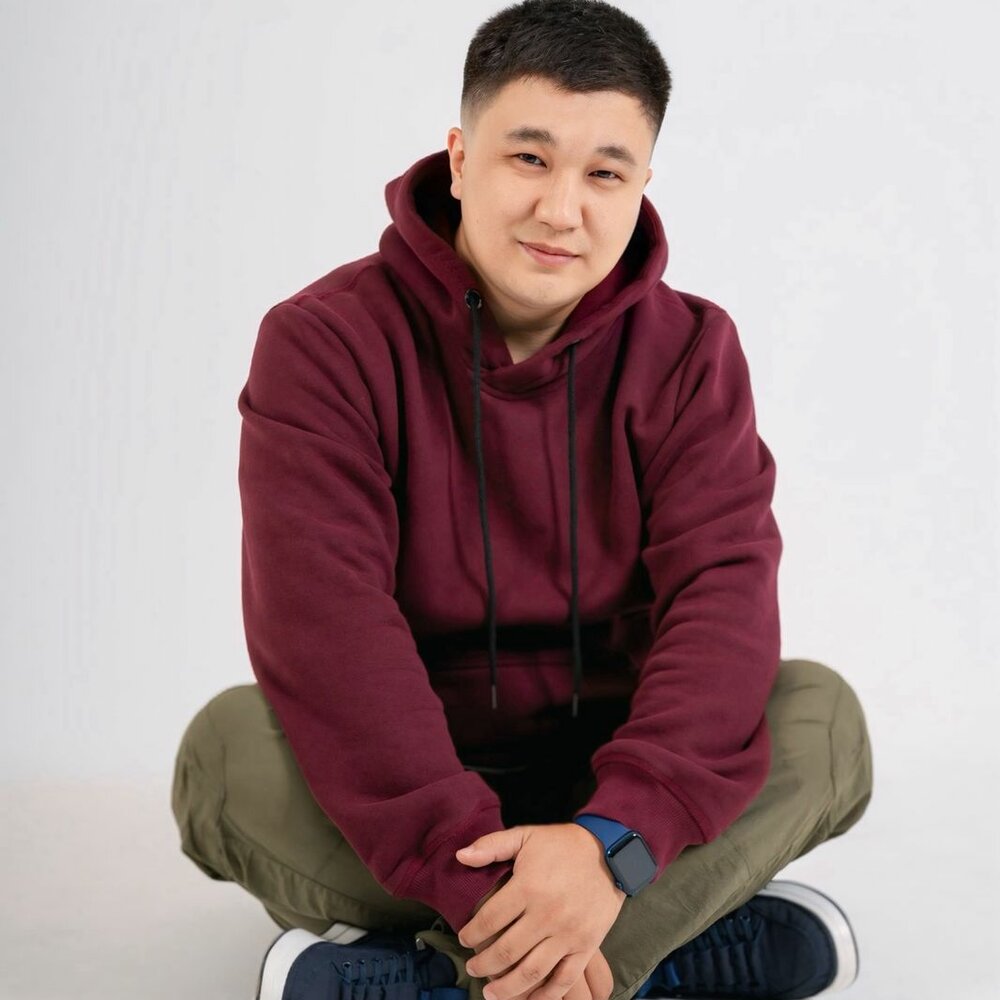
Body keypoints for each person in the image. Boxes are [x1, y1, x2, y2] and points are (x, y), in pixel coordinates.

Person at [170, 2, 874, 1000]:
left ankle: (441, 980)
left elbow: (722, 605)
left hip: (615, 784)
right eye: (529, 158)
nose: (560, 210)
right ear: (460, 160)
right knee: (227, 754)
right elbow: (329, 630)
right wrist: (490, 878)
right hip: (417, 796)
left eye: (604, 174)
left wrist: (607, 846)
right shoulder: (323, 343)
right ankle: (652, 955)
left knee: (820, 720)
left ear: (641, 187)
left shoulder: (690, 351)